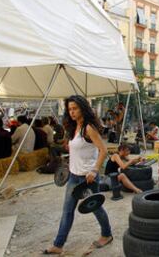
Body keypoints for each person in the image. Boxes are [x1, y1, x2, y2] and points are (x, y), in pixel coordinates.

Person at [44, 95, 112, 255]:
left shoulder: (88, 128)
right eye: (70, 109)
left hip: (88, 178)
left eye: (75, 108)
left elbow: (104, 150)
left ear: (82, 108)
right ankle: (58, 245)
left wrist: (94, 170)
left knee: (96, 208)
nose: (72, 112)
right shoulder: (73, 127)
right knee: (67, 210)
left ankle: (107, 234)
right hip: (74, 176)